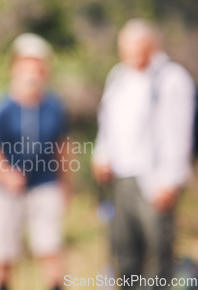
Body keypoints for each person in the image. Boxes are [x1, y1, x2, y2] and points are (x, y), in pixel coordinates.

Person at [92, 19, 195, 289]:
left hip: (155, 180)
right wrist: (102, 155)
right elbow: (108, 122)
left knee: (157, 252)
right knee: (124, 250)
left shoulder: (172, 78)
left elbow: (179, 132)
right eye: (124, 46)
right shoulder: (118, 76)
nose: (129, 52)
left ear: (152, 45)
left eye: (136, 46)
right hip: (122, 177)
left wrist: (171, 179)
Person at [0, 33, 71, 290]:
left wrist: (66, 185)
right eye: (26, 65)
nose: (31, 73)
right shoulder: (1, 108)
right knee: (3, 252)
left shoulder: (54, 106)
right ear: (15, 67)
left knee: (50, 246)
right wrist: (6, 174)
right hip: (6, 190)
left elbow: (63, 147)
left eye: (37, 66)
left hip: (45, 185)